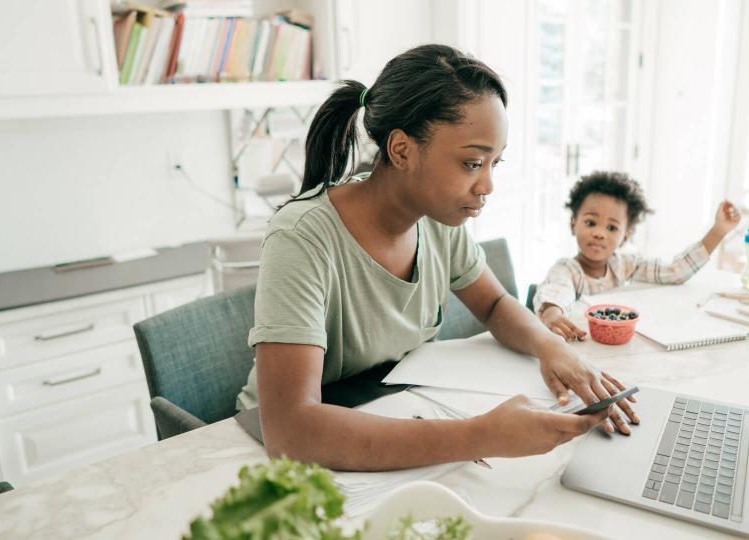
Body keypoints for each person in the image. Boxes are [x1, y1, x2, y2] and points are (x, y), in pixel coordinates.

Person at [238, 44, 639, 472]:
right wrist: (481, 436)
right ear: (401, 150)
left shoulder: (436, 222)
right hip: (281, 447)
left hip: (386, 404)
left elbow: (495, 304)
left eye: (494, 164)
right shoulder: (301, 238)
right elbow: (290, 431)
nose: (487, 185)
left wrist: (550, 346)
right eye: (471, 163)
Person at [533, 171, 741, 341]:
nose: (599, 233)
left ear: (625, 237)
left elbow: (674, 272)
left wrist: (719, 231)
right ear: (573, 224)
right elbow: (558, 292)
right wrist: (552, 312)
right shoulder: (567, 270)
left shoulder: (626, 265)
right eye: (590, 223)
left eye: (612, 228)